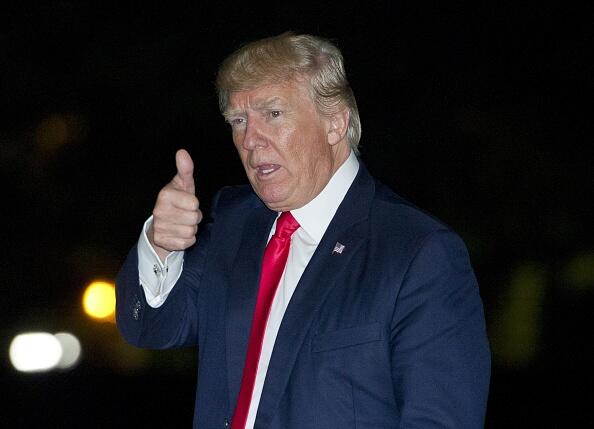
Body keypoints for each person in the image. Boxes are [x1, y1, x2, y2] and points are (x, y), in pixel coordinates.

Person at [116, 32, 490, 429]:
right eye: (239, 121)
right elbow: (152, 328)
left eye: (273, 114)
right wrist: (161, 245)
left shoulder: (417, 253)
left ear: (335, 123)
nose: (250, 139)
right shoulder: (234, 223)